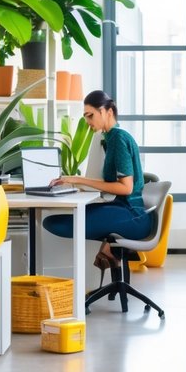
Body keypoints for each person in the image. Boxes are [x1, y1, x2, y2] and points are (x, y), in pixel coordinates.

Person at [44, 90, 150, 271]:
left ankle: (101, 261)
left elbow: (126, 188)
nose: (87, 122)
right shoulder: (110, 138)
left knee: (54, 223)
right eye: (85, 117)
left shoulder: (118, 138)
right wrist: (77, 183)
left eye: (90, 115)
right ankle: (107, 254)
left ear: (107, 111)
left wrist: (80, 180)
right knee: (61, 219)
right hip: (125, 209)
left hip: (133, 215)